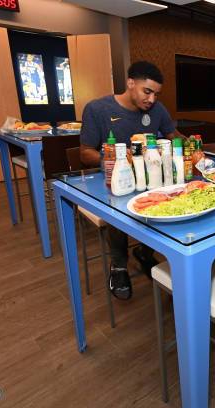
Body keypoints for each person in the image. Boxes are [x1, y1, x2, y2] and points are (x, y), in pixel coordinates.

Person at [79, 61, 185, 300]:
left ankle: (145, 252)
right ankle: (118, 265)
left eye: (156, 94)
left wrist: (195, 145)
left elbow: (173, 136)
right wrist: (119, 162)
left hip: (150, 176)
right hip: (111, 178)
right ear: (130, 83)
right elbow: (85, 152)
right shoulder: (98, 109)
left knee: (170, 197)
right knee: (118, 208)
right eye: (147, 91)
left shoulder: (157, 111)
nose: (152, 99)